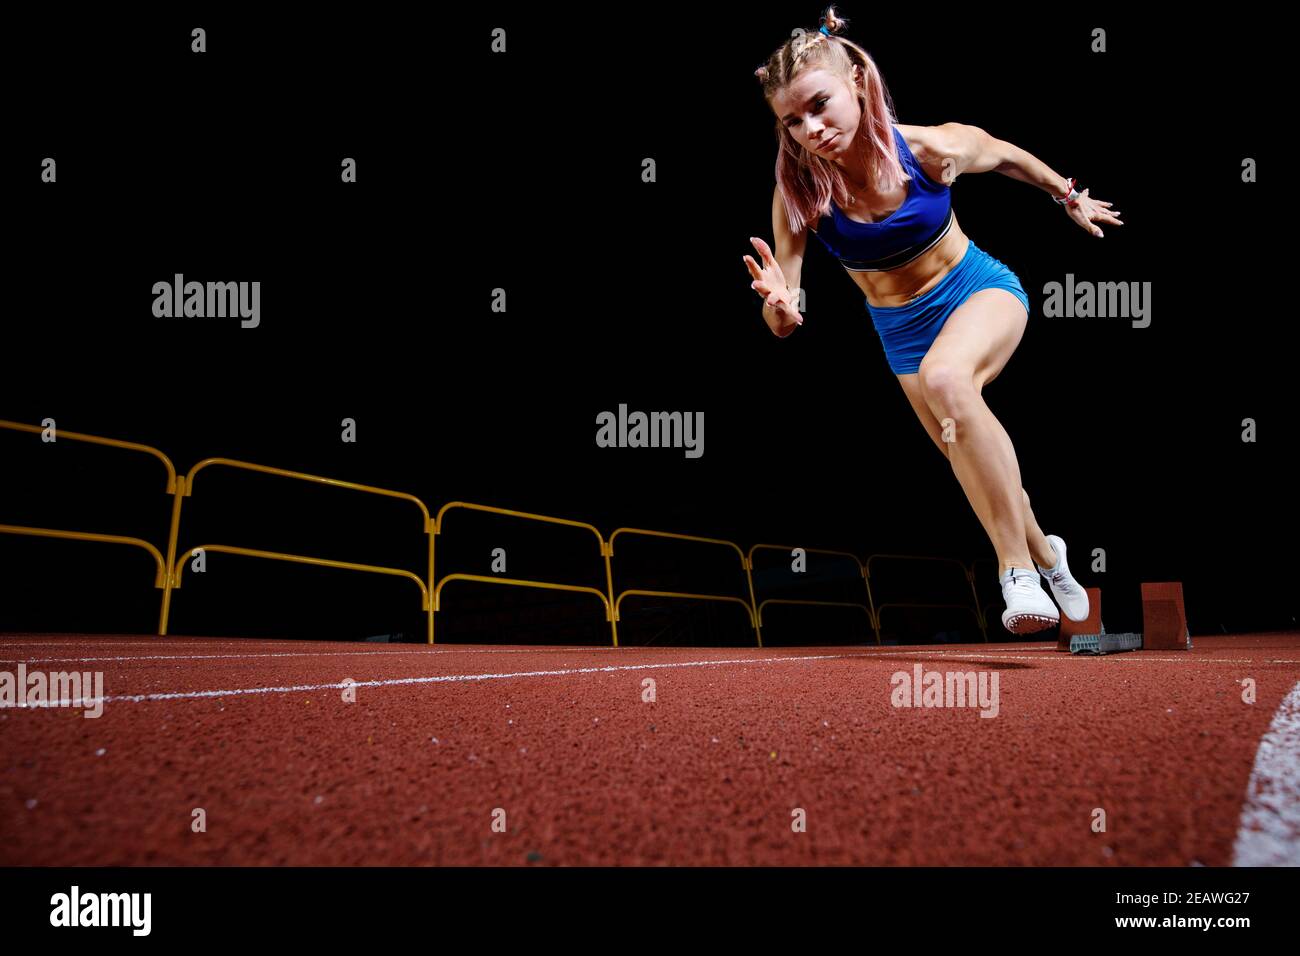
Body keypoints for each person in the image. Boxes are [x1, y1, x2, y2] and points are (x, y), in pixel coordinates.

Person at [742, 6, 1123, 633]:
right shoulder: (800, 195)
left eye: (820, 105)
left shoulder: (928, 148)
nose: (811, 128)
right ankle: (1048, 554)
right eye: (793, 121)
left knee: (950, 381)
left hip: (977, 291)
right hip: (899, 333)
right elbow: (786, 311)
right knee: (963, 449)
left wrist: (1068, 195)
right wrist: (780, 308)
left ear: (858, 84)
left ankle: (1013, 572)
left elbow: (1004, 156)